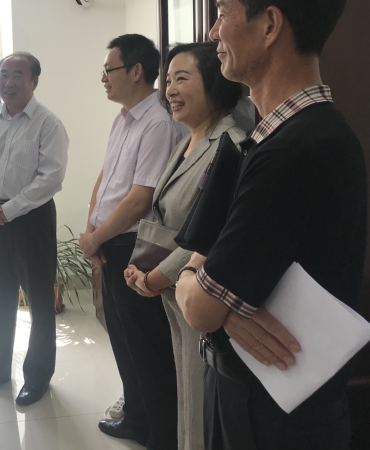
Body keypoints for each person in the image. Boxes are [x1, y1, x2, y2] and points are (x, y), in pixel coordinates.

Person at [175, 0, 366, 450]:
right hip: (262, 397)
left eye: (222, 13)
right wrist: (222, 305)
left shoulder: (294, 149)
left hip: (272, 415)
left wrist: (207, 295)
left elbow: (198, 306)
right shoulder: (280, 134)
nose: (213, 32)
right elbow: (206, 271)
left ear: (270, 25)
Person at [124, 41, 245, 450]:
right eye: (168, 80)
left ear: (214, 81)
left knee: (199, 396)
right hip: (173, 291)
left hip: (200, 292)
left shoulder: (229, 144)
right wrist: (142, 268)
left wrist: (158, 275)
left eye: (182, 78)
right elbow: (168, 218)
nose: (170, 90)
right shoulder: (189, 139)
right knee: (185, 391)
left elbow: (211, 230)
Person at [79, 34, 185, 449]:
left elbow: (141, 199)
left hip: (134, 246)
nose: (103, 78)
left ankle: (161, 434)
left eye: (109, 69)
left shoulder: (158, 122)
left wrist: (97, 238)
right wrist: (91, 230)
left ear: (136, 71)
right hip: (109, 241)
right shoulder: (124, 118)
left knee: (147, 346)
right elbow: (106, 178)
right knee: (124, 341)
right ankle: (137, 420)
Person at [0, 52, 69, 406]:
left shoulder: (48, 123)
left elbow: (50, 179)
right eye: (3, 74)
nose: (8, 82)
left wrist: (8, 210)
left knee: (39, 300)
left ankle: (37, 377)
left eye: (17, 75)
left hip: (32, 220)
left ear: (34, 82)